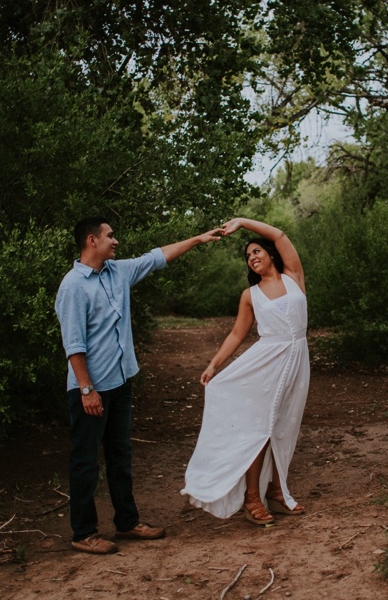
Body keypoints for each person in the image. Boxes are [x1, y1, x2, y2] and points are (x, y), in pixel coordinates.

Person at [55, 216, 221, 554]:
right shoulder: (72, 286)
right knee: (85, 461)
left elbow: (157, 256)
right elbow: (73, 344)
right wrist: (87, 390)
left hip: (120, 381)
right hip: (91, 388)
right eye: (110, 236)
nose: (115, 241)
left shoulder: (119, 272)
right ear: (91, 241)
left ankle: (127, 524)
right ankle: (83, 533)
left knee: (120, 455)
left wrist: (199, 239)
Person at [181, 217, 310, 525]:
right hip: (266, 363)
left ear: (271, 255)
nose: (252, 257)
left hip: (297, 358)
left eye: (256, 252)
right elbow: (237, 334)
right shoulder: (249, 296)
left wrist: (242, 223)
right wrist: (214, 365)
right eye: (248, 256)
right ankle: (252, 497)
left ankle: (277, 491)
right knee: (260, 429)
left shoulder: (293, 276)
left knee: (285, 426)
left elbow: (279, 233)